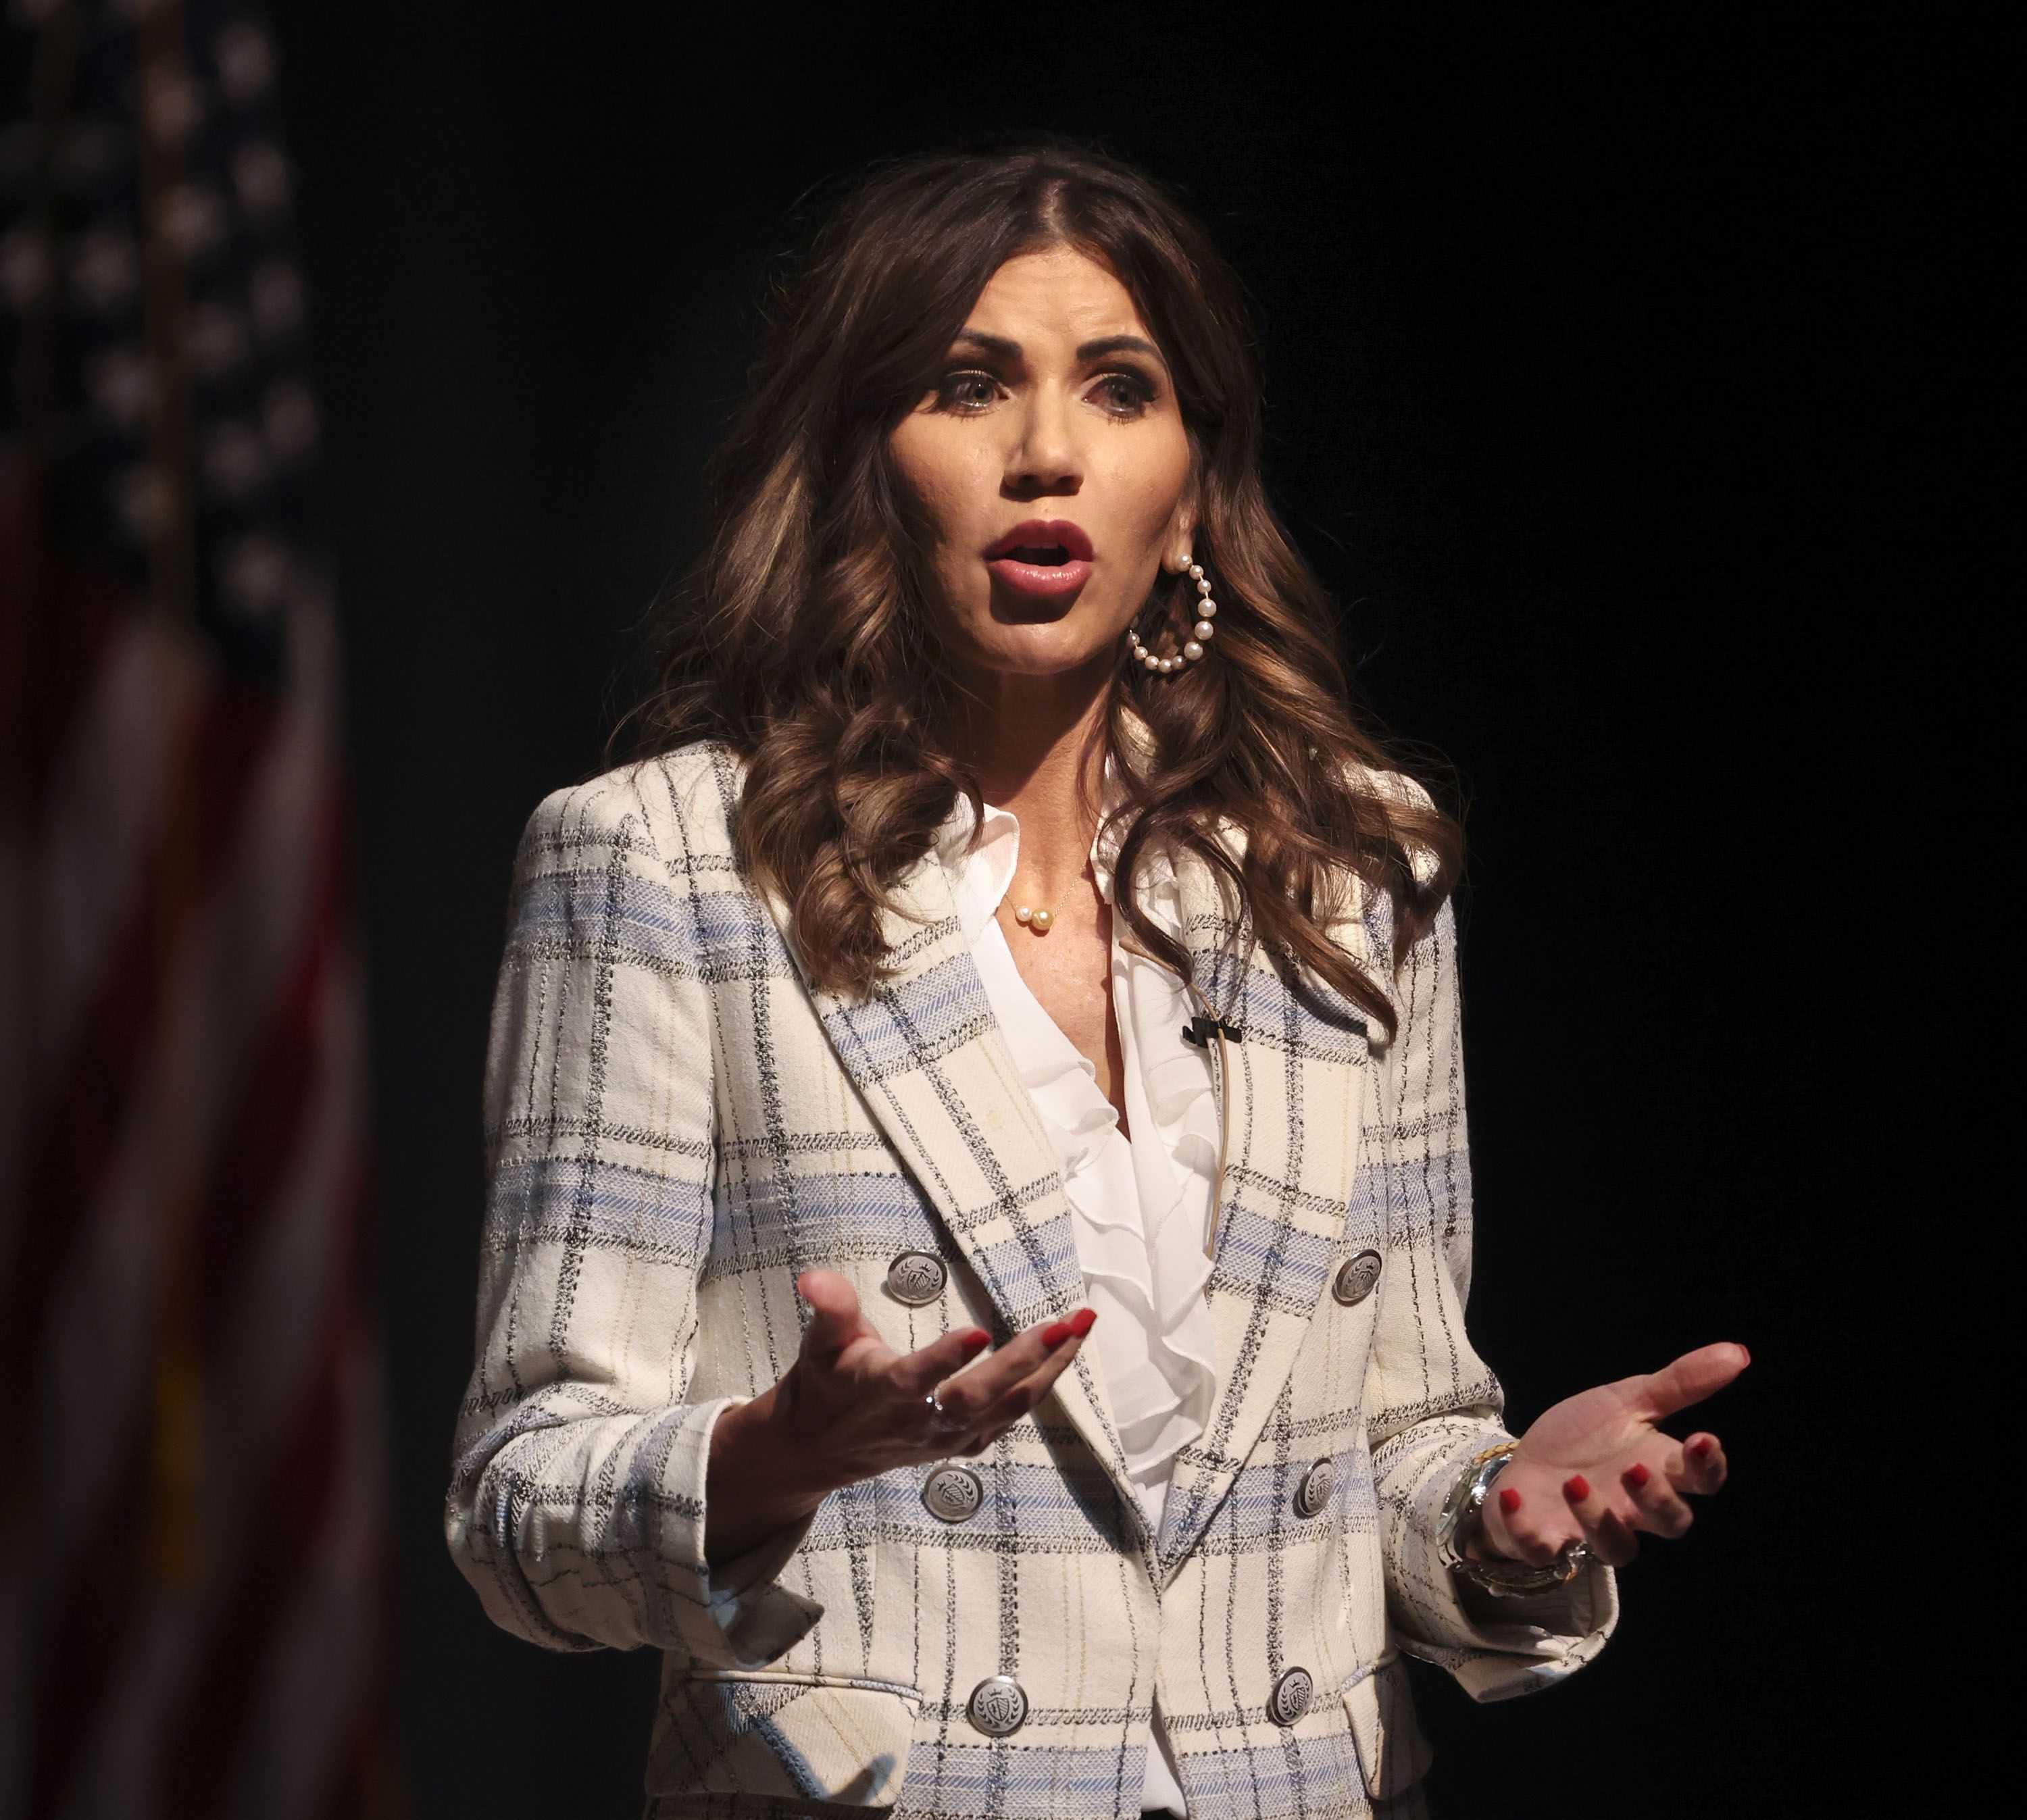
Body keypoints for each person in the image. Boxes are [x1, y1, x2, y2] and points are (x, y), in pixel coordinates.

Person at [444, 139, 1747, 1820]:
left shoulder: (1354, 872)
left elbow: (1393, 1441)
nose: (1048, 456)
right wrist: (768, 1457)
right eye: (970, 386)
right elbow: (517, 1508)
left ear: (1192, 485)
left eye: (1120, 392)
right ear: (862, 460)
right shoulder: (668, 867)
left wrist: (1503, 1510)